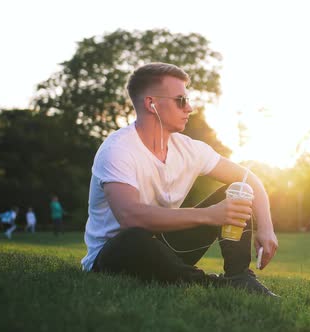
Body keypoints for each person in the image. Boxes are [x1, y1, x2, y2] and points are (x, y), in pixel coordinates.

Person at [80, 62, 279, 297]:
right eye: (181, 100)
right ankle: (210, 283)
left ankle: (239, 276)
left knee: (238, 189)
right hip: (118, 254)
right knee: (134, 237)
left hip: (167, 247)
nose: (190, 108)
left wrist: (266, 227)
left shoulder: (189, 149)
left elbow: (249, 178)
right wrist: (210, 214)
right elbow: (130, 217)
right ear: (151, 104)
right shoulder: (118, 149)